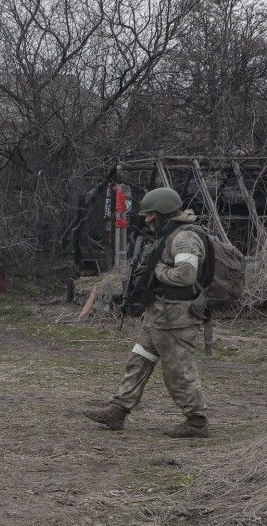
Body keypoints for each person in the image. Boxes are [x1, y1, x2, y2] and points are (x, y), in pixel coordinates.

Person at [85, 187, 210, 438]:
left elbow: (186, 275)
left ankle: (196, 421)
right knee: (139, 359)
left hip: (176, 317)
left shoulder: (184, 238)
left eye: (151, 214)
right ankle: (118, 411)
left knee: (177, 369)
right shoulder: (169, 234)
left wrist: (156, 273)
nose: (147, 219)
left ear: (163, 213)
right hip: (159, 314)